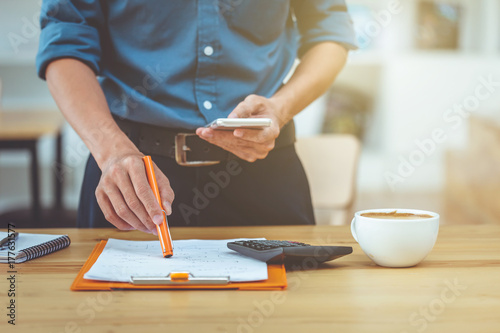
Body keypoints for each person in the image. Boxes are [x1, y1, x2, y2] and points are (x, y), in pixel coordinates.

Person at [36, 0, 357, 232]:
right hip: (133, 177)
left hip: (264, 171)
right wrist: (112, 151)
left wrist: (280, 107)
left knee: (289, 319)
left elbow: (330, 34)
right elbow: (65, 43)